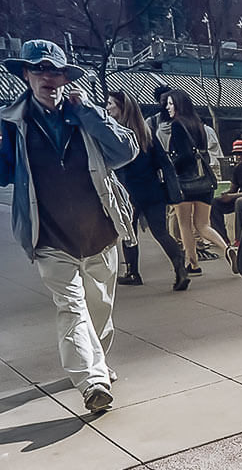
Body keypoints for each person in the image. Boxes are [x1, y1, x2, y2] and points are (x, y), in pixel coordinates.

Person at [0, 40, 139, 412]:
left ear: (65, 77)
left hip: (100, 232)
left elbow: (126, 151)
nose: (48, 76)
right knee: (72, 308)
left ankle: (97, 363)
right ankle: (92, 382)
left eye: (55, 70)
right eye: (39, 69)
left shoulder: (85, 114)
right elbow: (3, 173)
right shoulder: (11, 122)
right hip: (50, 238)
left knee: (99, 309)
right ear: (26, 75)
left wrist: (90, 113)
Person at [107, 90, 190, 291]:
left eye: (110, 104)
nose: (107, 108)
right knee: (161, 232)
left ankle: (133, 273)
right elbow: (163, 162)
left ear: (121, 108)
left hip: (128, 193)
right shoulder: (146, 132)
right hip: (152, 190)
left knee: (129, 233)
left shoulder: (117, 134)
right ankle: (180, 268)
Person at [155, 89, 235, 275]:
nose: (168, 108)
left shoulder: (177, 125)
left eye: (171, 104)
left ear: (179, 104)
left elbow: (184, 156)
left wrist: (169, 165)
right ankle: (227, 249)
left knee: (185, 224)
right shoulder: (199, 125)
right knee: (203, 225)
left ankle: (193, 264)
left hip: (184, 181)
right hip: (204, 181)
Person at [210, 139, 242, 243]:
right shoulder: (238, 168)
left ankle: (240, 239)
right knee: (215, 203)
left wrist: (232, 196)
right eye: (237, 154)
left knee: (240, 202)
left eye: (241, 154)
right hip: (238, 196)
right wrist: (226, 194)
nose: (239, 157)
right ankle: (222, 238)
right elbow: (233, 188)